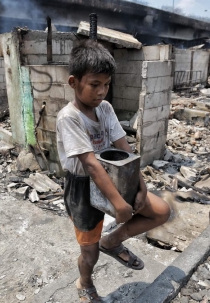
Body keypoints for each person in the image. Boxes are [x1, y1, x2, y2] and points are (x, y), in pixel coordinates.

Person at [56, 39, 171, 302]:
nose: (101, 92)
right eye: (94, 84)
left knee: (161, 212)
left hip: (116, 177)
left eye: (106, 85)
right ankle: (84, 283)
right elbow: (91, 165)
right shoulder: (69, 117)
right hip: (83, 189)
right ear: (74, 82)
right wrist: (119, 203)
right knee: (89, 253)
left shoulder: (105, 109)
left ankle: (112, 241)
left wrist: (141, 186)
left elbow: (125, 150)